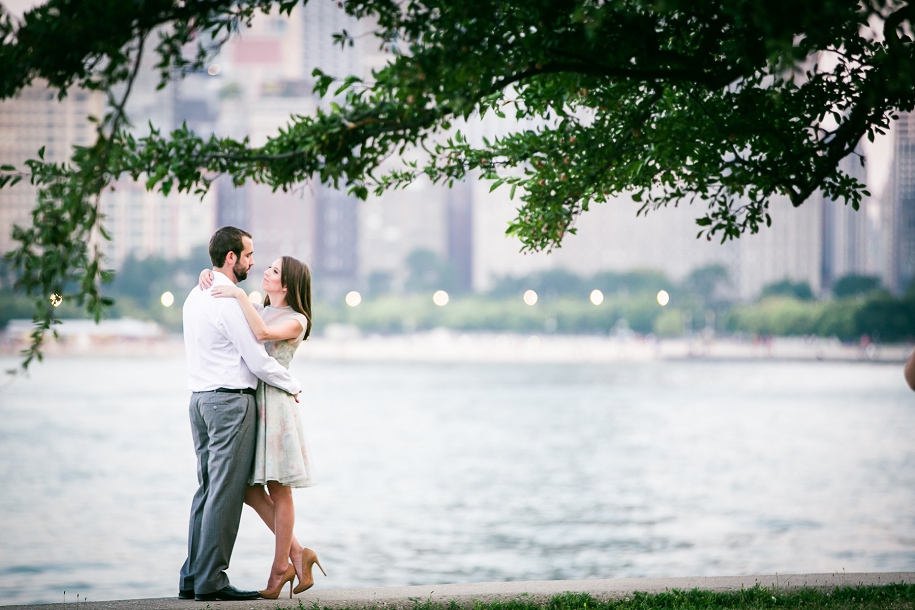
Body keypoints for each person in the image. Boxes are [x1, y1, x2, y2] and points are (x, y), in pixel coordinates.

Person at [180, 227, 303, 602]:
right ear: (231, 257)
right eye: (249, 255)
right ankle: (211, 581)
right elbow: (258, 361)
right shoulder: (228, 301)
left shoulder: (194, 294)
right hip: (230, 403)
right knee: (225, 494)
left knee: (206, 490)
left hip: (199, 401)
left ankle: (191, 578)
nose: (253, 262)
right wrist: (293, 384)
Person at [199, 254, 326, 599]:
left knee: (278, 487)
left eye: (273, 270)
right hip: (254, 402)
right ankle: (298, 554)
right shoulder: (258, 306)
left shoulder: (296, 320)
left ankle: (279, 568)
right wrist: (207, 276)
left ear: (286, 284)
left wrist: (240, 296)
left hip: (278, 406)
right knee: (248, 489)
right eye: (267, 267)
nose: (265, 272)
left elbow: (263, 333)